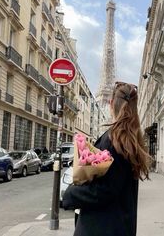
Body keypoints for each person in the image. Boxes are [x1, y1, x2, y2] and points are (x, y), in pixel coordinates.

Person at [63, 81, 150, 236]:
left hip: (101, 227)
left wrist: (71, 194)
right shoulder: (131, 140)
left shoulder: (114, 139)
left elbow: (105, 189)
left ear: (111, 104)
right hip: (121, 225)